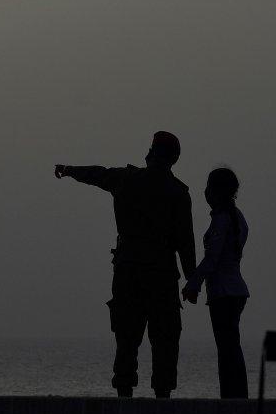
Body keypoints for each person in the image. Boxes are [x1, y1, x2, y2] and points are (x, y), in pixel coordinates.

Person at [54, 131, 196, 398]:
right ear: (174, 159)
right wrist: (192, 280)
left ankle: (124, 396)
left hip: (129, 270)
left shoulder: (127, 180)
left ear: (152, 152)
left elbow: (98, 174)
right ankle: (162, 397)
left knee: (127, 338)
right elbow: (185, 243)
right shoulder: (178, 193)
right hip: (161, 274)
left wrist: (70, 170)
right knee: (164, 339)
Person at [181, 168, 250, 399]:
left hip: (223, 292)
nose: (205, 192)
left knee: (227, 349)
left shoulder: (222, 220)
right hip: (235, 289)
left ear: (216, 191)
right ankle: (237, 396)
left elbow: (212, 258)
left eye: (209, 187)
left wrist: (193, 284)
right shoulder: (238, 217)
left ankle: (232, 398)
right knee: (232, 346)